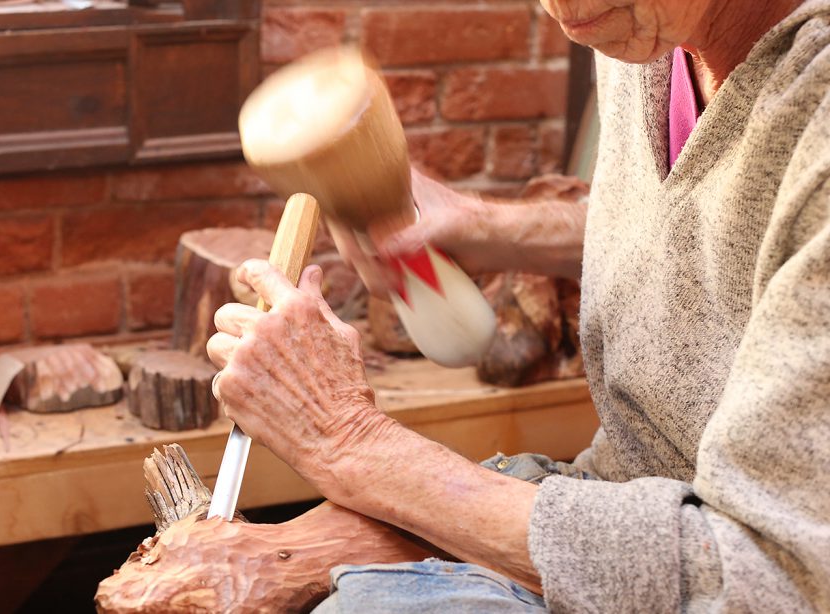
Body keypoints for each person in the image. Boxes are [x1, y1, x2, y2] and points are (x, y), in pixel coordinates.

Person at [207, 0, 830, 610]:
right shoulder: (644, 28)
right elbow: (721, 232)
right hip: (623, 493)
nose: (561, 8)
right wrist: (491, 226)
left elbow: (775, 576)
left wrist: (347, 440)